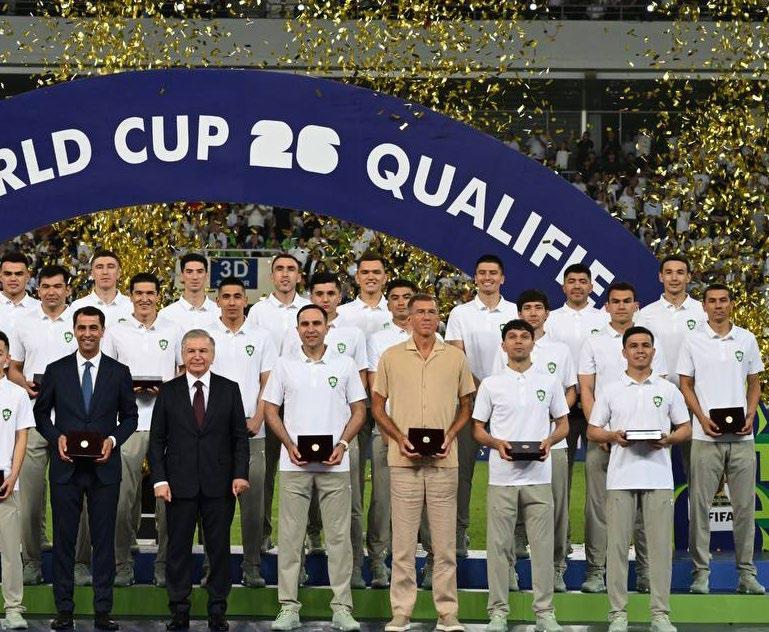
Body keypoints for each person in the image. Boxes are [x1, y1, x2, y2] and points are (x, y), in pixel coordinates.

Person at [372, 294, 475, 632]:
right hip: (403, 461)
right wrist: (398, 438)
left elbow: (466, 405)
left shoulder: (455, 357)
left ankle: (447, 613)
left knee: (444, 545)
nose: (427, 317)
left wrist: (451, 435)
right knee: (403, 544)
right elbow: (377, 406)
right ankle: (401, 612)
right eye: (420, 312)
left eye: (432, 312)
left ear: (438, 317)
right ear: (409, 318)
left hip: (444, 460)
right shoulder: (391, 356)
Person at [33, 306, 139, 631]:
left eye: (93, 328)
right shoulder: (56, 370)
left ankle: (102, 611)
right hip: (66, 469)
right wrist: (57, 438)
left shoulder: (119, 372)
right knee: (64, 541)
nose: (88, 334)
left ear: (102, 331)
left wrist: (112, 440)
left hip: (104, 470)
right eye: (82, 328)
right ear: (74, 330)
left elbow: (130, 417)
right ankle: (64, 610)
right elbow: (41, 414)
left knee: (103, 542)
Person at [263, 304, 367, 631]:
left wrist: (343, 445)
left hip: (335, 465)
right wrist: (288, 444)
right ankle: (288, 607)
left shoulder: (345, 364)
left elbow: (359, 410)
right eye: (305, 324)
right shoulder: (284, 365)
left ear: (326, 328)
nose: (310, 329)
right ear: (297, 330)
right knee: (290, 539)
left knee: (339, 539)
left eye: (316, 323)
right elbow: (270, 410)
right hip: (294, 465)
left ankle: (342, 608)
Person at [588, 326, 690, 632]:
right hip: (621, 478)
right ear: (624, 352)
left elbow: (685, 428)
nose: (640, 350)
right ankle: (617, 614)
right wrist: (613, 436)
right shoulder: (610, 389)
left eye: (645, 345)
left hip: (658, 477)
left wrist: (668, 439)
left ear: (653, 352)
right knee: (617, 549)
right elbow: (593, 430)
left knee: (659, 550)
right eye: (634, 346)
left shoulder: (667, 389)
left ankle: (660, 614)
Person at [149, 329, 250, 632]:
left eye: (203, 351)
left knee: (218, 551)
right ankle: (179, 610)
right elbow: (157, 440)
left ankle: (217, 611)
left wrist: (240, 474)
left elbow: (239, 438)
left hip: (219, 485)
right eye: (191, 351)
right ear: (183, 355)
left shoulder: (229, 389)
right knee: (177, 550)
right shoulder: (168, 391)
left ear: (212, 355)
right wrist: (159, 480)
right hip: (178, 486)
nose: (197, 357)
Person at [473, 319, 568, 632]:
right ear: (503, 345)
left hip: (539, 476)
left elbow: (563, 424)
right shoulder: (491, 384)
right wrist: (496, 443)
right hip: (502, 477)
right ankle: (498, 612)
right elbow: (478, 429)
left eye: (524, 336)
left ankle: (545, 613)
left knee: (542, 548)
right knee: (499, 548)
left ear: (532, 343)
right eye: (512, 337)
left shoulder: (549, 381)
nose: (518, 341)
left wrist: (549, 441)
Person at [578, 282, 667, 593]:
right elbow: (586, 389)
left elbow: (660, 388)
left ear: (635, 305)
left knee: (644, 510)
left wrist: (653, 432)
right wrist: (600, 429)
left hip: (645, 442)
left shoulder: (649, 341)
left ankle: (645, 572)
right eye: (615, 301)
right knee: (598, 508)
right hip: (603, 438)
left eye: (627, 301)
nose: (620, 306)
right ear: (606, 307)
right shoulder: (594, 341)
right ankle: (595, 572)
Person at [677, 283, 765, 595]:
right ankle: (701, 574)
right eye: (712, 301)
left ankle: (747, 575)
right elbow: (685, 384)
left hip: (741, 438)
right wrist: (702, 419)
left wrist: (751, 415)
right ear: (704, 306)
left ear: (731, 304)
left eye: (723, 300)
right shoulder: (692, 339)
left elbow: (755, 382)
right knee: (700, 508)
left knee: (744, 508)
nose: (718, 305)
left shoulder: (746, 338)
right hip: (705, 436)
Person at [284, 272, 368, 588]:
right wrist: (289, 442)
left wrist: (344, 440)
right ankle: (296, 582)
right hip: (298, 449)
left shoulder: (352, 336)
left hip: (342, 440)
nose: (325, 298)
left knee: (351, 509)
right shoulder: (291, 344)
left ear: (339, 297)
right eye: (319, 293)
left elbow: (360, 391)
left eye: (331, 293)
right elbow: (282, 392)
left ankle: (353, 572)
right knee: (296, 523)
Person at [101, 273, 183, 587]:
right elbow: (106, 375)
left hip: (167, 425)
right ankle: (122, 564)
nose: (145, 298)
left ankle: (164, 566)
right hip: (127, 425)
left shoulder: (173, 329)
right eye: (139, 293)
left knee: (169, 501)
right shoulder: (116, 331)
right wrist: (127, 390)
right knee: (122, 500)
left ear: (158, 296)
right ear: (131, 295)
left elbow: (182, 371)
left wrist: (167, 391)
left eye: (150, 293)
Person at [204, 277, 277, 589]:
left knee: (253, 504)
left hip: (251, 431)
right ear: (217, 301)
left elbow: (268, 382)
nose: (232, 302)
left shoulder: (262, 337)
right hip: (213, 434)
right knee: (213, 505)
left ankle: (252, 566)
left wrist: (259, 417)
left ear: (246, 301)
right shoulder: (206, 335)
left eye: (237, 296)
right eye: (226, 297)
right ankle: (212, 567)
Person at [444, 254, 518, 562]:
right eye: (482, 273)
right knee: (461, 474)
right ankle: (458, 534)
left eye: (493, 273)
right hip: (470, 401)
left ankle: (514, 540)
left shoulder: (514, 311)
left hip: (509, 405)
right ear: (475, 278)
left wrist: (498, 391)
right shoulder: (460, 313)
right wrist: (484, 389)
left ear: (502, 278)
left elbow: (522, 354)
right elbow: (457, 358)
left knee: (515, 471)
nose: (487, 277)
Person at [8, 265, 77, 586]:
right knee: (31, 497)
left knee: (74, 495)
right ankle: (32, 561)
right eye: (46, 286)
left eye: (57, 286)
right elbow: (14, 368)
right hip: (35, 418)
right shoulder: (24, 322)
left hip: (72, 421)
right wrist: (24, 384)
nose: (51, 292)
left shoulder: (78, 319)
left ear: (67, 289)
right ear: (39, 290)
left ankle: (76, 561)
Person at [509, 289, 577, 593]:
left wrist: (554, 415)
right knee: (511, 507)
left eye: (538, 307)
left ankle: (557, 568)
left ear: (547, 313)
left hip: (553, 443)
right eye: (527, 308)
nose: (533, 313)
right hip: (513, 443)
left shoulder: (560, 350)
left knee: (557, 509)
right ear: (519, 313)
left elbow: (571, 390)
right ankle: (509, 567)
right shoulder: (507, 347)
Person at [244, 253, 310, 552]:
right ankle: (263, 534)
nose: (285, 274)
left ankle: (304, 537)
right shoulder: (258, 311)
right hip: (269, 402)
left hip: (302, 402)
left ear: (299, 276)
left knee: (305, 470)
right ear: (272, 276)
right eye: (280, 269)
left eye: (291, 269)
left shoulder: (309, 308)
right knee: (265, 473)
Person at [366, 278, 419, 589]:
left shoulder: (435, 337)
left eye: (406, 296)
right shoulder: (378, 340)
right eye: (396, 297)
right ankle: (378, 561)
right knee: (383, 499)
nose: (401, 302)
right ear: (388, 305)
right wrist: (388, 429)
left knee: (426, 500)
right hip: (387, 428)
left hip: (425, 431)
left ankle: (425, 561)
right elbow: (376, 390)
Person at [544, 263, 609, 488]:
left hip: (597, 405)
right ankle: (561, 515)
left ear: (591, 287)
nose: (577, 286)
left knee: (599, 475)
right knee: (559, 476)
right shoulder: (550, 320)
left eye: (583, 281)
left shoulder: (604, 319)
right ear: (563, 287)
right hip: (562, 406)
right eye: (571, 281)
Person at [0, 330, 35, 630]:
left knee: (11, 550)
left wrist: (13, 474)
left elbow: (22, 437)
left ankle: (13, 608)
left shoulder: (17, 394)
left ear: (6, 359)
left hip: (5, 481)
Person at [635, 255, 706, 387]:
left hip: (696, 390)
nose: (674, 278)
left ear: (688, 277)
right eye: (669, 272)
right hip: (657, 390)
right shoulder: (645, 314)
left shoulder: (703, 312)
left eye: (680, 272)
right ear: (661, 277)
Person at [157, 253, 220, 332]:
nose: (195, 277)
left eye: (200, 272)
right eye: (189, 272)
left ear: (206, 276)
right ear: (182, 276)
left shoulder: (220, 313)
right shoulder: (166, 315)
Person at [70, 250, 132, 328]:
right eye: (99, 267)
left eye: (110, 267)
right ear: (92, 273)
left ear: (119, 273)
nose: (105, 272)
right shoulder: (77, 307)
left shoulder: (132, 306)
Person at [0, 251, 40, 337]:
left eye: (19, 274)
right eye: (8, 274)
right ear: (0, 276)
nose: (13, 279)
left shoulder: (41, 309)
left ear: (28, 276)